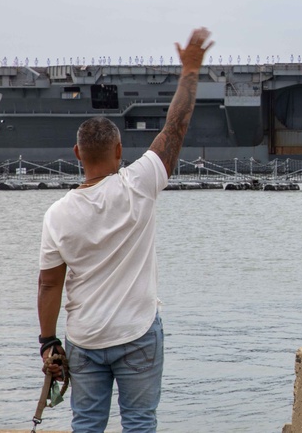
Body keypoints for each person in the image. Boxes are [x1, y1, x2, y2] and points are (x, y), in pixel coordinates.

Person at [37, 28, 213, 432]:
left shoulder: (56, 214)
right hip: (137, 332)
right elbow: (176, 125)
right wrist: (189, 70)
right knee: (139, 423)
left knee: (86, 424)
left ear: (77, 153)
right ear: (119, 151)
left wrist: (48, 343)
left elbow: (49, 285)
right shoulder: (140, 182)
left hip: (85, 338)